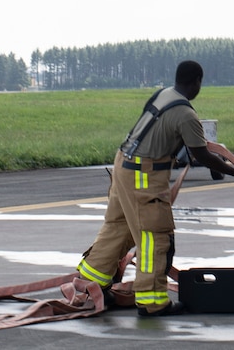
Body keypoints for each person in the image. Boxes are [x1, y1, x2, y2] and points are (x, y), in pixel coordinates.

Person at [73, 60, 225, 317]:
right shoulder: (186, 114)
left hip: (122, 165)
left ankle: (91, 286)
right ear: (197, 82)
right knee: (154, 237)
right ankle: (152, 303)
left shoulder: (164, 95)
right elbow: (201, 154)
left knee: (118, 227)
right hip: (143, 176)